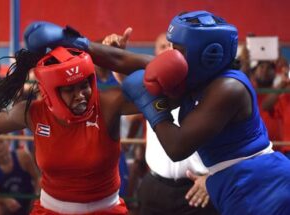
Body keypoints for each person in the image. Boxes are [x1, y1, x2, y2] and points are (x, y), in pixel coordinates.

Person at [21, 10, 290, 215]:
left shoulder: (227, 87)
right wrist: (70, 39)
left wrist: (152, 103)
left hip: (261, 185)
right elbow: (121, 59)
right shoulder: (196, 74)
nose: (170, 54)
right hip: (233, 184)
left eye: (177, 48)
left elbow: (178, 146)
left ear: (208, 53)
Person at [0, 46, 140, 214]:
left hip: (106, 209)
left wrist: (111, 56)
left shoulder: (107, 105)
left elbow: (164, 88)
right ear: (50, 92)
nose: (80, 96)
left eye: (84, 85)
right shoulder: (33, 112)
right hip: (50, 209)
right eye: (69, 90)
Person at [104, 31, 218, 214]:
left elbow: (235, 142)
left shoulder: (207, 88)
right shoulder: (150, 87)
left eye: (172, 46)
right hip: (155, 185)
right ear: (154, 53)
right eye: (162, 47)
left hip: (197, 187)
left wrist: (214, 179)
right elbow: (128, 83)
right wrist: (117, 54)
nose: (167, 50)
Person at [0, 138, 39, 215]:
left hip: (29, 197)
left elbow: (38, 178)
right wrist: (5, 200)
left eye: (1, 141)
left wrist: (35, 197)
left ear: (9, 142)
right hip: (9, 203)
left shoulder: (23, 156)